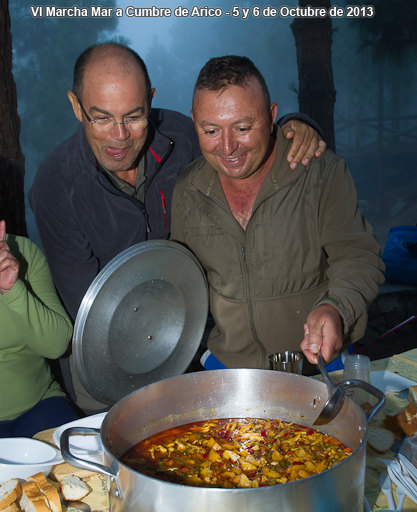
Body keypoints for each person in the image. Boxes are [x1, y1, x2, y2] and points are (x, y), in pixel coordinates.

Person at [30, 43, 326, 323]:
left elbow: (243, 144)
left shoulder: (183, 139)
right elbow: (86, 305)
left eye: (134, 117)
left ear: (150, 100)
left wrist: (293, 126)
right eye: (102, 118)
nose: (119, 136)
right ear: (76, 107)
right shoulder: (55, 186)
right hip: (108, 340)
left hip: (200, 325)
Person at [170, 55, 385, 371]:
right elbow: (184, 281)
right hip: (229, 371)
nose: (227, 147)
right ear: (194, 122)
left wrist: (336, 308)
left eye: (243, 127)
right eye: (211, 130)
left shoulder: (320, 172)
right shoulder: (188, 189)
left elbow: (358, 257)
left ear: (271, 116)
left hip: (318, 366)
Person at [0, 220, 81, 437]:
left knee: (83, 463)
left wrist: (12, 289)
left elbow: (56, 345)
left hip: (40, 402)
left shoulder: (21, 252)